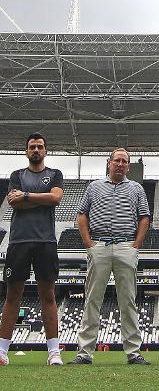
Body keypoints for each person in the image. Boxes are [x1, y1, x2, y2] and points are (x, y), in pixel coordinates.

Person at [68, 148, 150, 365]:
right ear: (109, 163)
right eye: (117, 160)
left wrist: (135, 245)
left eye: (124, 161)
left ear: (129, 166)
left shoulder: (136, 188)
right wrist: (88, 243)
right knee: (92, 300)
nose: (120, 164)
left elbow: (144, 217)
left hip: (125, 244)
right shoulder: (94, 187)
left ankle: (133, 352)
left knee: (128, 301)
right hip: (100, 244)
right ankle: (84, 353)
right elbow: (82, 214)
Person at [0, 133, 64, 366]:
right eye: (32, 147)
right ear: (26, 151)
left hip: (45, 241)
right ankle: (2, 351)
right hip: (18, 241)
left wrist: (26, 196)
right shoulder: (17, 175)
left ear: (46, 150)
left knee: (47, 295)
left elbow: (56, 199)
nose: (36, 150)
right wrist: (41, 199)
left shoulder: (54, 174)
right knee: (12, 295)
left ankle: (54, 352)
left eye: (39, 147)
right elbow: (13, 202)